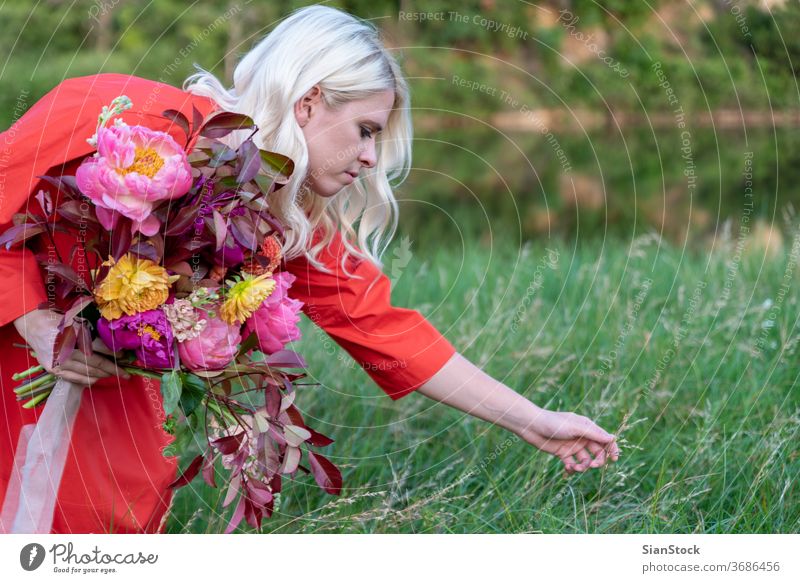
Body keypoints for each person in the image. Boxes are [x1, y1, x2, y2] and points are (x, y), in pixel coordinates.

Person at [0, 5, 618, 534]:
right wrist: (34, 321)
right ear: (309, 101)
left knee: (119, 511)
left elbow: (387, 331)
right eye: (366, 130)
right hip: (14, 358)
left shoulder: (279, 217)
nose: (371, 157)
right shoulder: (130, 120)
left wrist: (537, 423)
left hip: (98, 388)